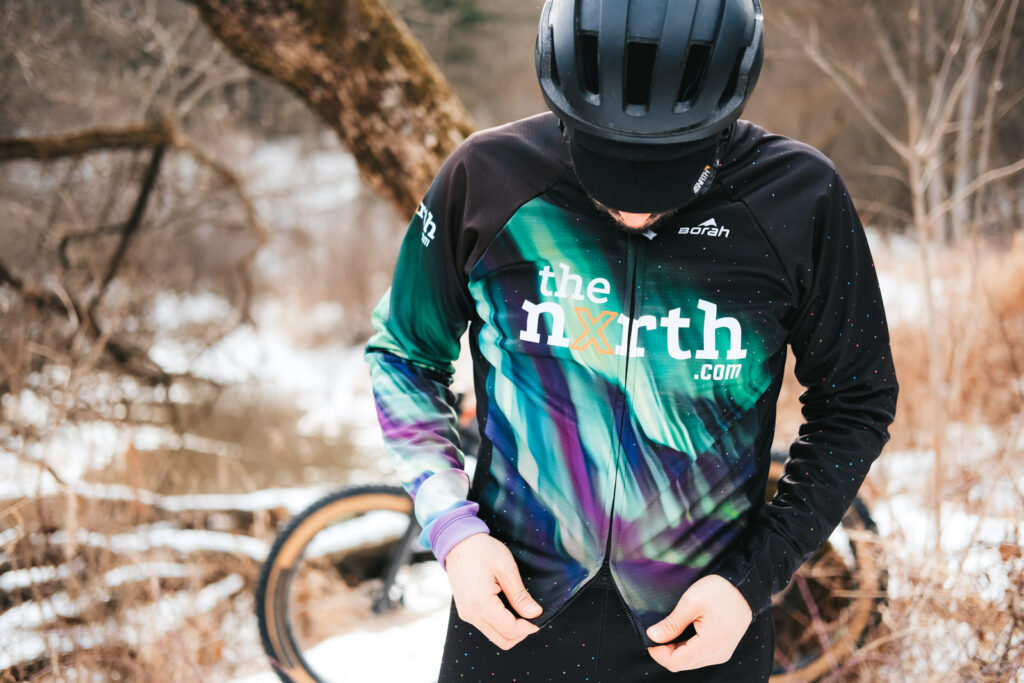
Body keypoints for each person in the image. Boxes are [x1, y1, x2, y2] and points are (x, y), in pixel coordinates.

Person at [365, 0, 898, 679]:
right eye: (607, 164)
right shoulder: (487, 180)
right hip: (508, 620)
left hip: (703, 634)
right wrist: (453, 530)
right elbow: (403, 354)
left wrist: (754, 579)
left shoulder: (799, 198)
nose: (635, 209)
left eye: (670, 171)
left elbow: (857, 398)